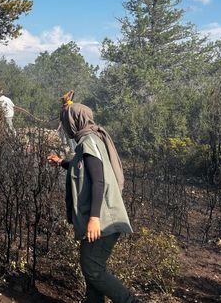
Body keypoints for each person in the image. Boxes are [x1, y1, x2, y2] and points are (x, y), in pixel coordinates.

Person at [47, 102, 140, 303]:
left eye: (66, 121)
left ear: (74, 121)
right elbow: (84, 168)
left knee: (93, 270)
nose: (65, 126)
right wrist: (62, 162)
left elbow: (99, 180)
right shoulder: (90, 140)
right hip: (102, 220)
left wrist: (94, 218)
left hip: (103, 221)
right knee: (92, 272)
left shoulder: (88, 141)